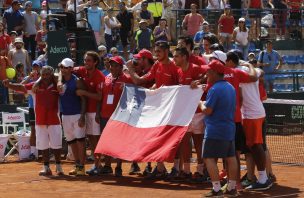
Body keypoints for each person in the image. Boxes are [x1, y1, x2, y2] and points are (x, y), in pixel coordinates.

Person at [128, 41, 179, 179]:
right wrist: (155, 87)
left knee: (173, 139)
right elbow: (143, 80)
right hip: (159, 108)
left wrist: (131, 71)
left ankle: (176, 168)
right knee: (157, 136)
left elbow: (180, 86)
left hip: (172, 109)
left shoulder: (174, 66)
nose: (156, 54)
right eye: (155, 51)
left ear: (167, 51)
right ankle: (160, 167)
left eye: (159, 52)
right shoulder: (157, 64)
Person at [3, 66, 64, 176]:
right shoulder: (35, 86)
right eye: (43, 74)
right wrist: (9, 85)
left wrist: (58, 80)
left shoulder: (57, 86)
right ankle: (46, 167)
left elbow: (62, 84)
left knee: (56, 145)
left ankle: (58, 166)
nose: (45, 76)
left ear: (52, 75)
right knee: (43, 145)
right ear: (41, 75)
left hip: (54, 120)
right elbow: (21, 87)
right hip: (40, 121)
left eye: (48, 74)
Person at [167, 47, 207, 181]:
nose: (174, 59)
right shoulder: (178, 71)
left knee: (198, 142)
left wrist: (200, 81)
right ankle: (186, 171)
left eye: (176, 56)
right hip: (185, 113)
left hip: (198, 113)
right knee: (184, 142)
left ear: (184, 57)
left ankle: (201, 171)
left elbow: (209, 72)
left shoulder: (195, 68)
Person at [199, 60, 238, 197]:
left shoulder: (214, 89)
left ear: (215, 73)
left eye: (208, 71)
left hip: (215, 129)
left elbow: (208, 110)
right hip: (229, 128)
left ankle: (216, 189)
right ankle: (232, 188)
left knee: (209, 158)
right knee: (231, 157)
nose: (206, 73)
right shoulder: (230, 87)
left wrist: (201, 103)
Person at [65, 51, 105, 176]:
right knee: (91, 138)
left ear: (95, 62)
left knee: (96, 140)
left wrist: (83, 93)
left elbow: (99, 97)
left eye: (88, 60)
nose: (86, 62)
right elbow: (68, 69)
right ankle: (97, 164)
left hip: (95, 112)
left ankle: (99, 165)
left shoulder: (99, 76)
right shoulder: (82, 70)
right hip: (85, 111)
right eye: (85, 60)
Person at [95, 56, 133, 177]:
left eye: (116, 65)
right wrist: (97, 112)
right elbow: (101, 98)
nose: (113, 68)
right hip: (105, 115)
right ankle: (107, 165)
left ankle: (119, 166)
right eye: (111, 65)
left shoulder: (128, 79)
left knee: (119, 142)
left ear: (121, 67)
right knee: (107, 141)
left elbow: (133, 97)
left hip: (120, 115)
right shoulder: (106, 78)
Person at [57, 58, 87, 176]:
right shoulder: (59, 79)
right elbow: (57, 73)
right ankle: (77, 164)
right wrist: (59, 79)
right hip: (65, 115)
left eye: (65, 68)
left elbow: (83, 100)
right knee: (71, 141)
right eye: (62, 67)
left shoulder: (77, 81)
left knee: (80, 141)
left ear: (70, 69)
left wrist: (82, 116)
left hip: (77, 114)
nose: (63, 70)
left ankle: (82, 167)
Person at [20, 60, 43, 160]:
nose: (35, 69)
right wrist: (29, 77)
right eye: (34, 67)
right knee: (33, 130)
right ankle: (33, 153)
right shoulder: (28, 78)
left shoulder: (44, 78)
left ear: (40, 68)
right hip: (32, 108)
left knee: (45, 130)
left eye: (37, 67)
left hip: (43, 108)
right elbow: (20, 86)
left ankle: (46, 151)